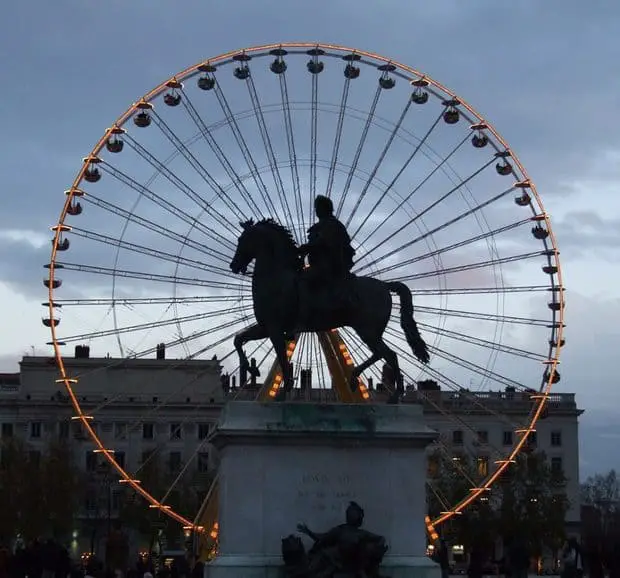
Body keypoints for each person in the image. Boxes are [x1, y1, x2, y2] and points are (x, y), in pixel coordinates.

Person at [299, 196, 355, 285]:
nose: (316, 210)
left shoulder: (332, 225)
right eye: (316, 208)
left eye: (318, 207)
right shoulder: (320, 226)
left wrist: (306, 247)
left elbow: (324, 242)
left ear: (325, 208)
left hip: (330, 266)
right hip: (318, 265)